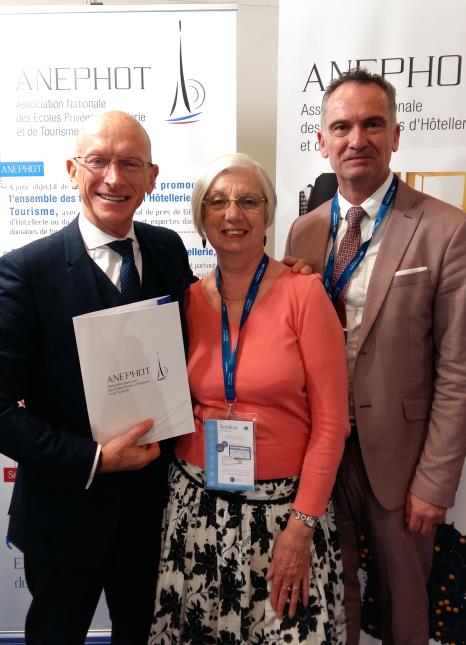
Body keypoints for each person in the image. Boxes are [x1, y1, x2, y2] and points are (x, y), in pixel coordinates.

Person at [0, 111, 196, 644]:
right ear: (71, 170)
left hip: (155, 515)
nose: (114, 177)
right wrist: (93, 459)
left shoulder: (167, 249)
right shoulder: (24, 271)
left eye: (130, 163)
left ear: (152, 177)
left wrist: (280, 276)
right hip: (64, 516)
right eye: (99, 161)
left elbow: (212, 321)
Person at [285, 69, 466, 644]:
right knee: (333, 604)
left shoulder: (445, 229)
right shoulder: (302, 233)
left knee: (405, 613)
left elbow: (458, 371)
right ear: (321, 141)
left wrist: (435, 483)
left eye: (371, 124)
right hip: (318, 457)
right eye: (341, 126)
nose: (356, 138)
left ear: (395, 135)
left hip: (402, 463)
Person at [149, 153, 350, 644]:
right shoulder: (186, 300)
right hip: (197, 510)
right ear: (201, 219)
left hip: (285, 515)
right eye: (216, 202)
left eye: (248, 201)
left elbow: (331, 424)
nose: (232, 214)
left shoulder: (305, 295)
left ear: (267, 214)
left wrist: (301, 527)